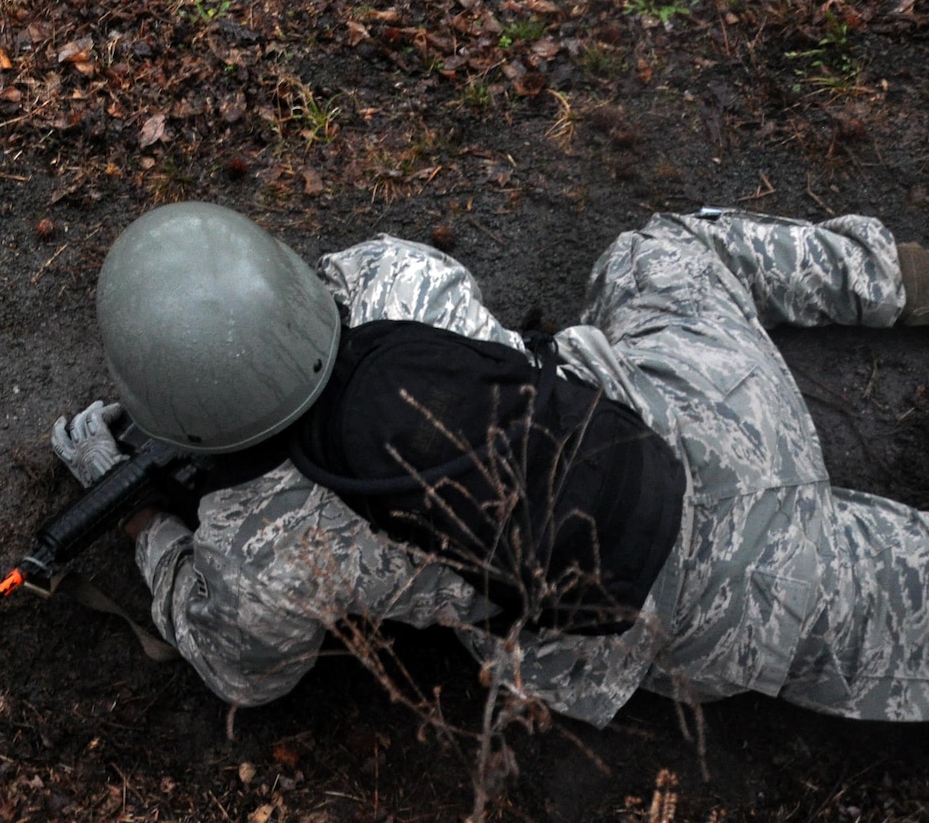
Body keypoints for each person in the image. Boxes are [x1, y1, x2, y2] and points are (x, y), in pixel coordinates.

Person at [50, 201, 929, 725]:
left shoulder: (259, 551)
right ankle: (888, 274)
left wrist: (139, 520)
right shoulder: (398, 276)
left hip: (710, 608)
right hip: (705, 401)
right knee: (659, 251)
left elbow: (243, 672)